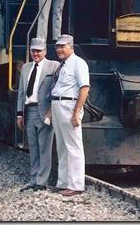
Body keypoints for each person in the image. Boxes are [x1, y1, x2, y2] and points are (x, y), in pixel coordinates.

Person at [16, 38, 60, 191]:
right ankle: (33, 179)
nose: (36, 53)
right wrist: (19, 114)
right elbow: (21, 92)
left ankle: (42, 182)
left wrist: (52, 112)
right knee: (33, 148)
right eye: (33, 50)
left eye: (39, 51)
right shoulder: (26, 68)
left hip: (45, 112)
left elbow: (57, 89)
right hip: (29, 111)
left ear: (45, 51)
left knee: (44, 148)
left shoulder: (54, 66)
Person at [49, 34, 90, 197]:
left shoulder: (78, 63)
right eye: (57, 47)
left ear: (71, 48)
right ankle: (63, 182)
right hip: (58, 105)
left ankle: (76, 185)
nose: (59, 49)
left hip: (69, 106)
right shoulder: (63, 65)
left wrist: (76, 113)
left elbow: (84, 88)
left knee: (73, 147)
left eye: (63, 46)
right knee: (61, 146)